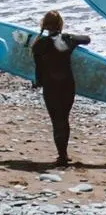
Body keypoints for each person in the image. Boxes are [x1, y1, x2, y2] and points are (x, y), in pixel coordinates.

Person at [31, 10, 90, 166]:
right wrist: (70, 36)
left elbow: (39, 70)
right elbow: (87, 39)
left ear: (44, 25)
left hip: (51, 85)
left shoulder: (38, 44)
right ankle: (63, 155)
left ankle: (62, 155)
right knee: (64, 118)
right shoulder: (67, 41)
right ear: (60, 24)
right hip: (67, 84)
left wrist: (37, 82)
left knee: (57, 120)